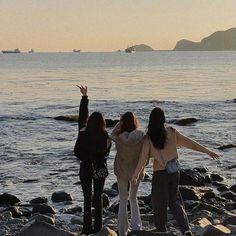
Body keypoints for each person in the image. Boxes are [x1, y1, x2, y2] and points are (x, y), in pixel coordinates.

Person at [132, 107, 219, 236]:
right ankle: (185, 229)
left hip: (159, 174)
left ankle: (161, 229)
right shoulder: (172, 131)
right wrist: (207, 151)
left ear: (151, 120)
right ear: (163, 119)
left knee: (159, 202)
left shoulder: (148, 138)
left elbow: (142, 159)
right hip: (174, 172)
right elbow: (190, 143)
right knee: (175, 200)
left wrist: (135, 175)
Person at [74, 85, 111, 235]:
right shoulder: (105, 135)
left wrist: (84, 97)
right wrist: (98, 157)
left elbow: (76, 151)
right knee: (98, 198)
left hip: (85, 168)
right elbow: (106, 152)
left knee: (87, 199)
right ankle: (98, 227)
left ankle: (86, 228)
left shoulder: (83, 132)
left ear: (89, 122)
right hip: (100, 168)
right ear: (103, 123)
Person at [111, 112, 145, 236]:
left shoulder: (118, 136)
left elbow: (110, 136)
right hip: (136, 170)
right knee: (133, 198)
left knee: (123, 199)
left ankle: (122, 230)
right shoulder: (141, 135)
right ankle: (137, 227)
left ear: (123, 123)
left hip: (121, 170)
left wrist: (118, 125)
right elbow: (145, 152)